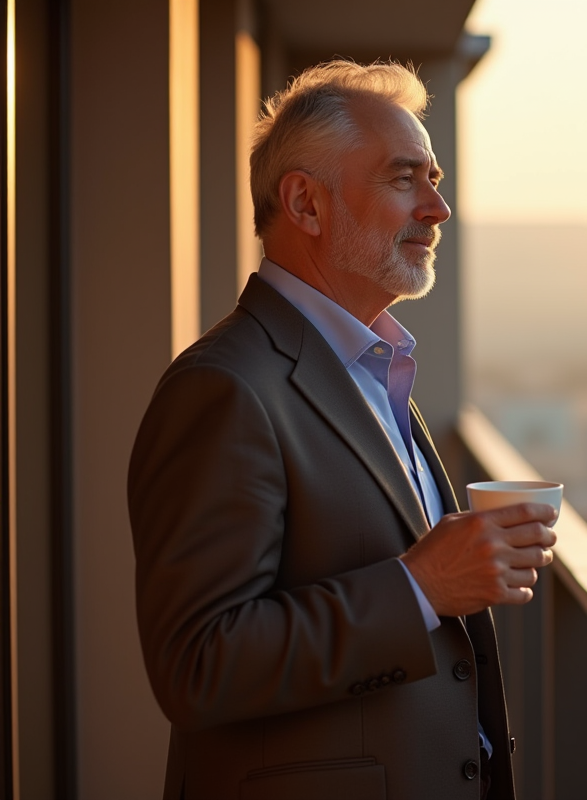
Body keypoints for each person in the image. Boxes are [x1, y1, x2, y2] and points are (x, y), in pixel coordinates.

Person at [127, 60, 556, 800]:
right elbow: (199, 665)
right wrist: (421, 585)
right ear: (306, 204)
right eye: (403, 179)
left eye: (435, 178)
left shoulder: (375, 367)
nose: (436, 208)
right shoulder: (223, 389)